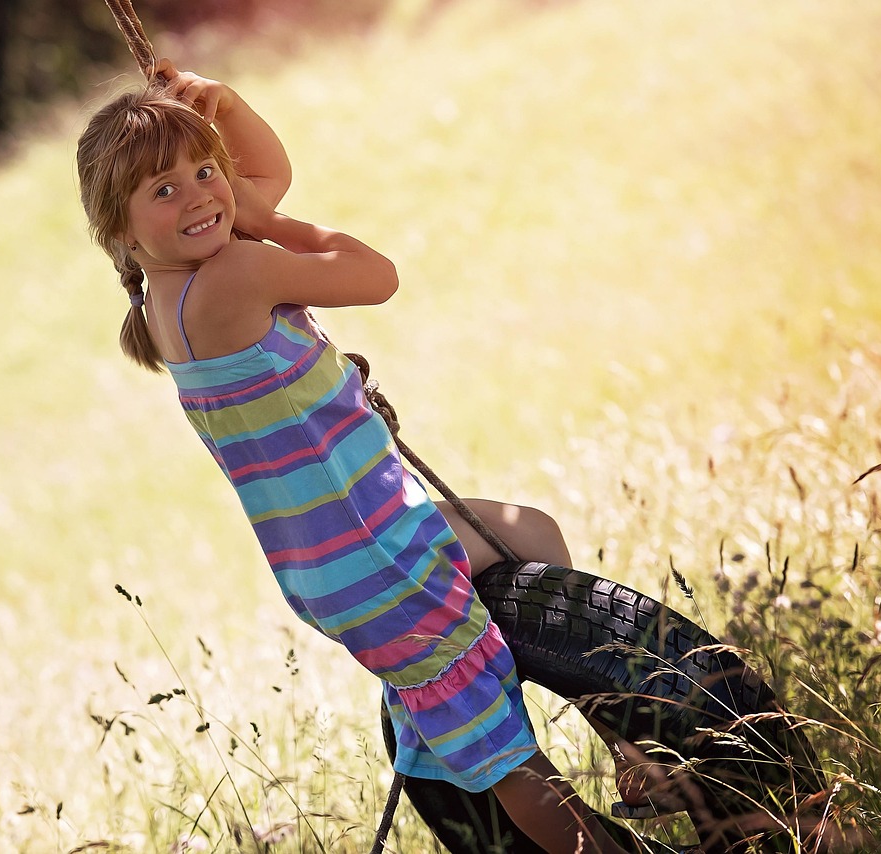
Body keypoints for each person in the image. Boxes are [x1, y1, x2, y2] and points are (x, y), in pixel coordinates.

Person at [76, 59, 631, 854]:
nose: (201, 195)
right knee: (515, 765)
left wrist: (225, 109)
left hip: (347, 556)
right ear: (122, 229)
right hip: (383, 558)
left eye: (205, 171)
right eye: (165, 190)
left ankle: (627, 743)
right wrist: (275, 223)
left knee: (532, 536)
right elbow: (376, 277)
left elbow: (262, 177)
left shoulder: (165, 298)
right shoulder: (234, 269)